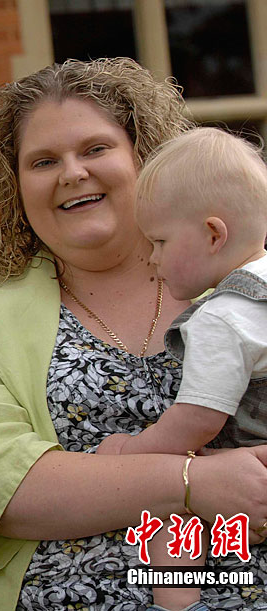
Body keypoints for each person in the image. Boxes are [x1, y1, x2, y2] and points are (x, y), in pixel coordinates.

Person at [0, 57, 267, 611]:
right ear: (14, 187)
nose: (72, 172)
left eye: (96, 149)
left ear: (143, 157)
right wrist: (189, 483)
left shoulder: (245, 285)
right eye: (43, 161)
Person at [97, 126, 267, 611]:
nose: (152, 259)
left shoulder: (222, 316)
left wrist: (133, 451)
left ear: (213, 235)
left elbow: (198, 419)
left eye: (160, 241)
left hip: (252, 463)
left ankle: (178, 605)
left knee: (170, 516)